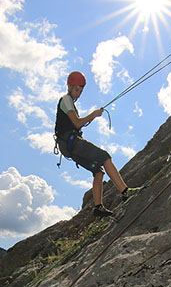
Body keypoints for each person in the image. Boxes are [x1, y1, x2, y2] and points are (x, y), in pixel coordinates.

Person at [54, 71, 141, 217]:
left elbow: (76, 124)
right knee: (105, 156)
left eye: (81, 90)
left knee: (98, 171)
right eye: (76, 89)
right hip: (72, 143)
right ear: (69, 86)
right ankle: (125, 191)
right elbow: (76, 123)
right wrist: (93, 114)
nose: (79, 93)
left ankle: (98, 207)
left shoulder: (68, 102)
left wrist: (92, 116)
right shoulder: (66, 99)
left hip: (68, 146)